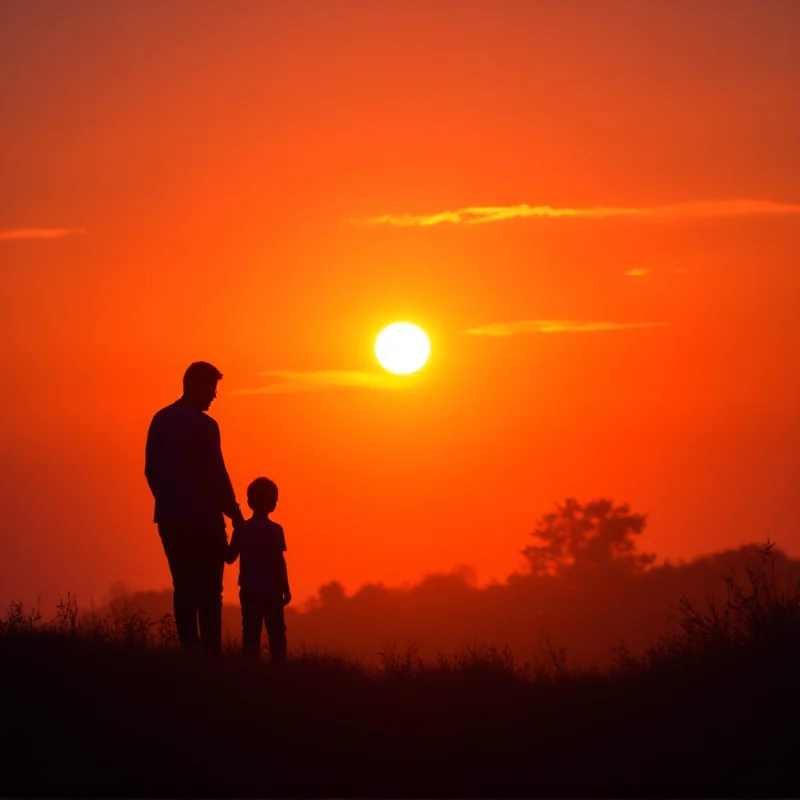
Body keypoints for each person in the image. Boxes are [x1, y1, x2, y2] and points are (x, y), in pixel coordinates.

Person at [145, 361, 244, 654]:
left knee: (184, 586)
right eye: (212, 389)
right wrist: (236, 514)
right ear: (198, 387)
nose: (214, 396)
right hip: (205, 522)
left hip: (171, 520)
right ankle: (211, 655)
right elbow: (217, 475)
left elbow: (151, 471)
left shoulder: (161, 419)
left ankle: (190, 651)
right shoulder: (205, 426)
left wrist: (168, 501)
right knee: (210, 592)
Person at [226, 477, 291, 662]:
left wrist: (223, 536)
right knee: (277, 635)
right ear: (273, 504)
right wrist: (286, 588)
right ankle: (278, 673)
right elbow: (279, 562)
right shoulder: (276, 530)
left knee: (250, 634)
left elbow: (229, 557)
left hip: (249, 590)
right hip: (272, 591)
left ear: (249, 502)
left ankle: (249, 673)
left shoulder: (242, 529)